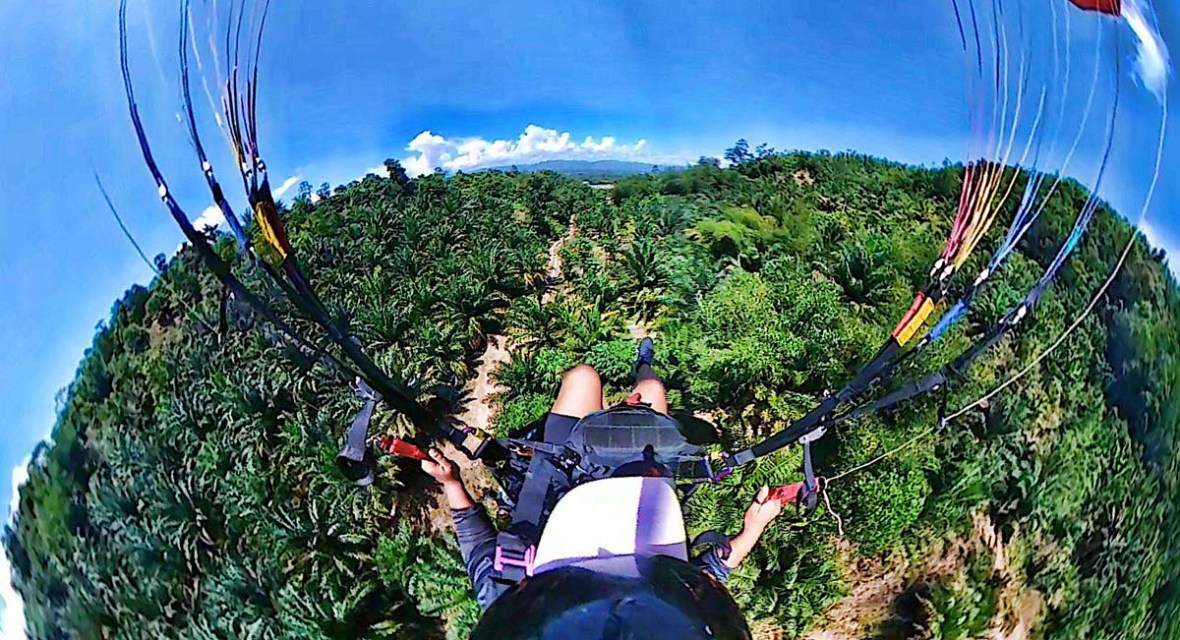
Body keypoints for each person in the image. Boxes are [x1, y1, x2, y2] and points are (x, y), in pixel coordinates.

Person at [421, 338, 786, 639]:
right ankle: (644, 364)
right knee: (652, 390)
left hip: (561, 484)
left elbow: (477, 545)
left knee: (584, 378)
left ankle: (624, 388)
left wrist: (451, 481)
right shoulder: (672, 614)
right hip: (641, 502)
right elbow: (708, 576)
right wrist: (754, 527)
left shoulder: (516, 609)